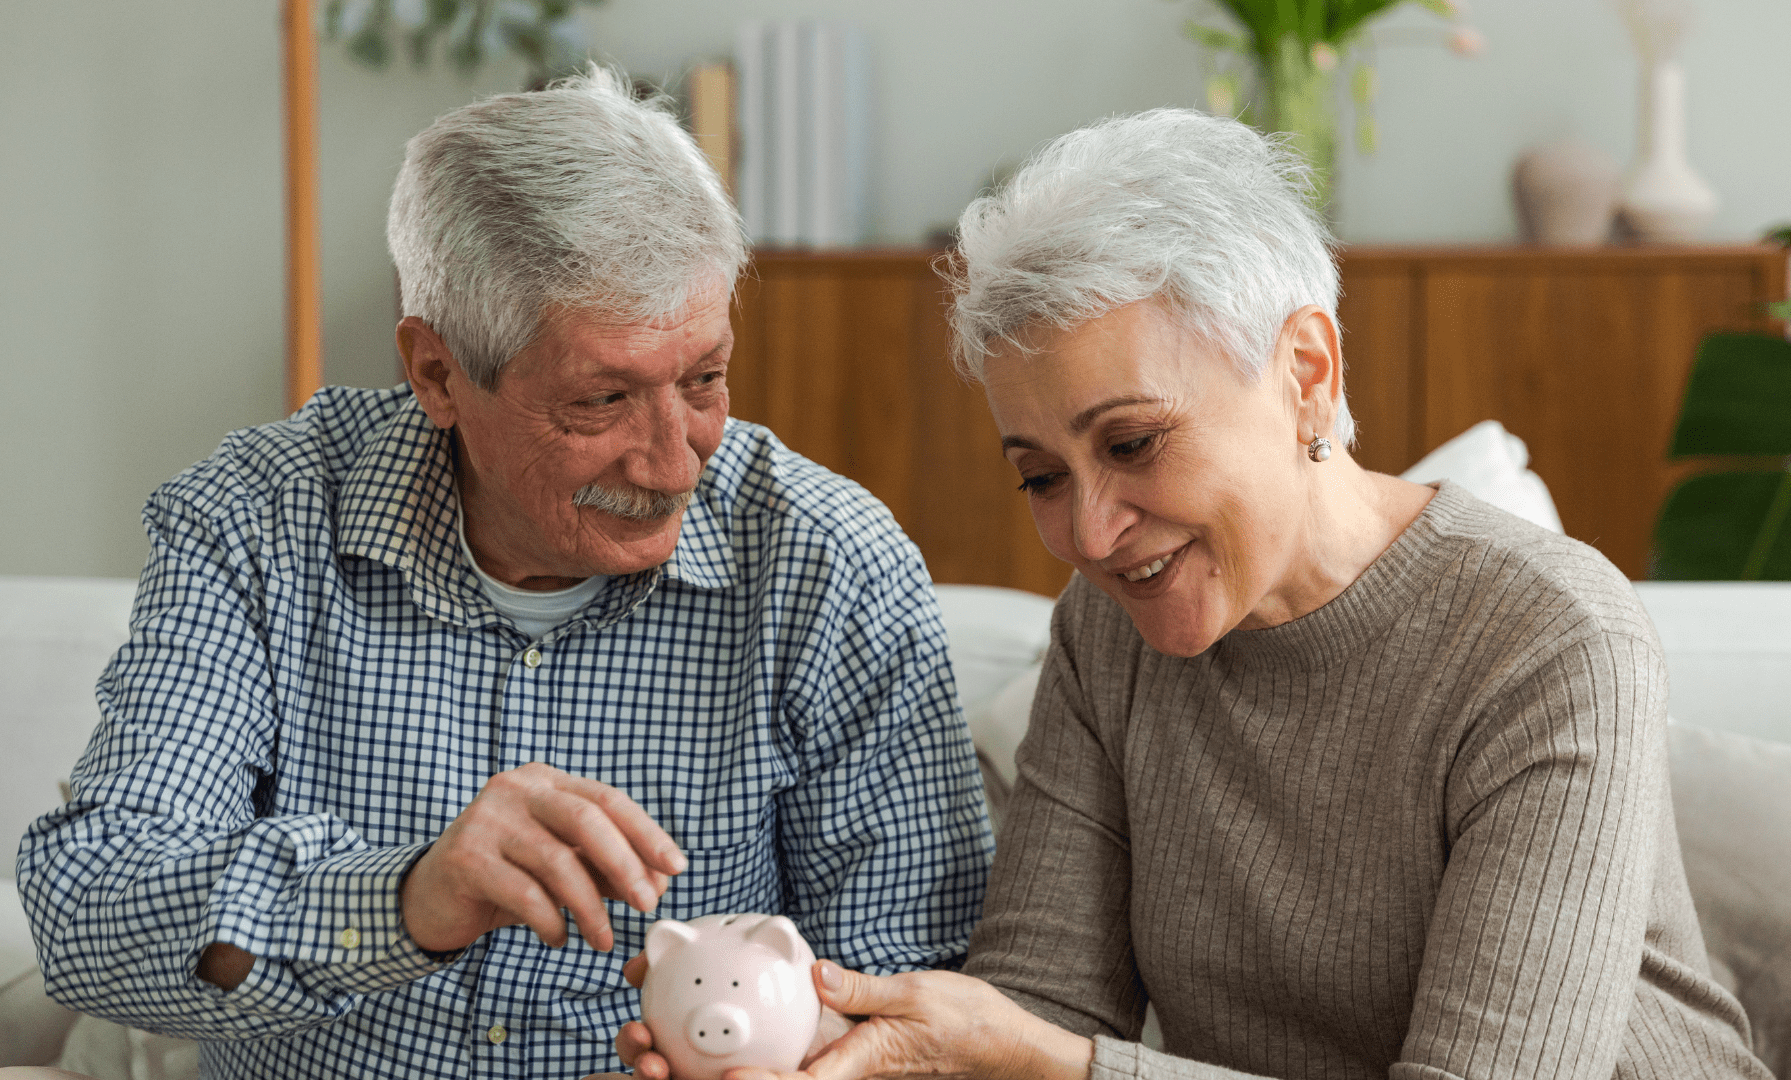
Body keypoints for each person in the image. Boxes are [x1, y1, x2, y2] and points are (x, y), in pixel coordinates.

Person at [614, 109, 1769, 1080]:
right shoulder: (1104, 640)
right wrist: (807, 1042)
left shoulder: (1545, 640)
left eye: (1133, 442)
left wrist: (1053, 1062)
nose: (1090, 531)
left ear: (1306, 373)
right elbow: (1039, 1014)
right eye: (1041, 476)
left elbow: (1052, 1057)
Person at [15, 67, 992, 1080]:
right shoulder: (258, 521)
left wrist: (817, 1053)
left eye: (704, 379)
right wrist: (404, 900)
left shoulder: (828, 562)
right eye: (602, 400)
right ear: (437, 373)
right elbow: (89, 907)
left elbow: (914, 981)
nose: (673, 462)